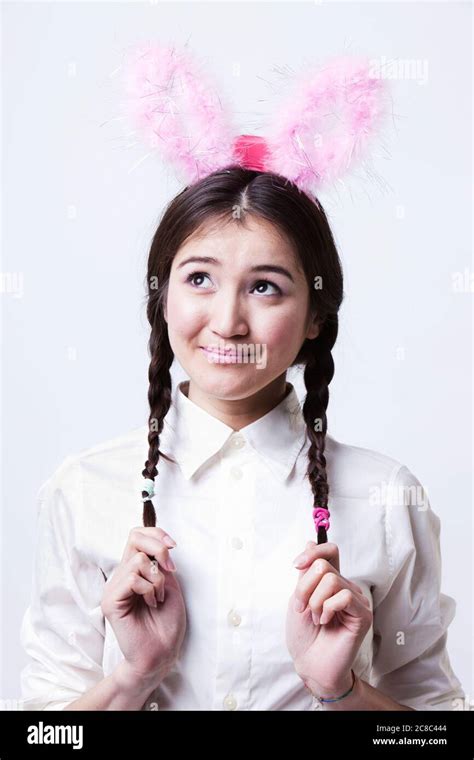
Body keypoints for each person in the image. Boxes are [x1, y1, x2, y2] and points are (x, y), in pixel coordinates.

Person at [19, 166, 465, 711]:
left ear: (314, 319)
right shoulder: (84, 489)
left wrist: (341, 691)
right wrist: (133, 679)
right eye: (200, 278)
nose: (228, 321)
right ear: (163, 296)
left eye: (264, 287)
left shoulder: (388, 497)